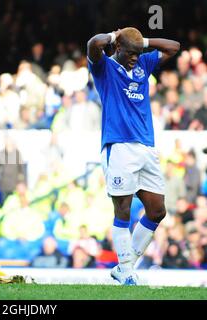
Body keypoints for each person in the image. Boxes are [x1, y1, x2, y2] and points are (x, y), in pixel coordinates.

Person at [87, 27, 180, 285]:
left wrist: (141, 42)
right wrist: (113, 36)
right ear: (117, 48)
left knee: (157, 211)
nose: (135, 58)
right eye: (130, 53)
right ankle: (127, 271)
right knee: (123, 210)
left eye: (139, 53)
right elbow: (93, 44)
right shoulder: (104, 69)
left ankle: (123, 267)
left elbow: (173, 46)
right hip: (119, 147)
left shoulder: (142, 64)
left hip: (146, 148)